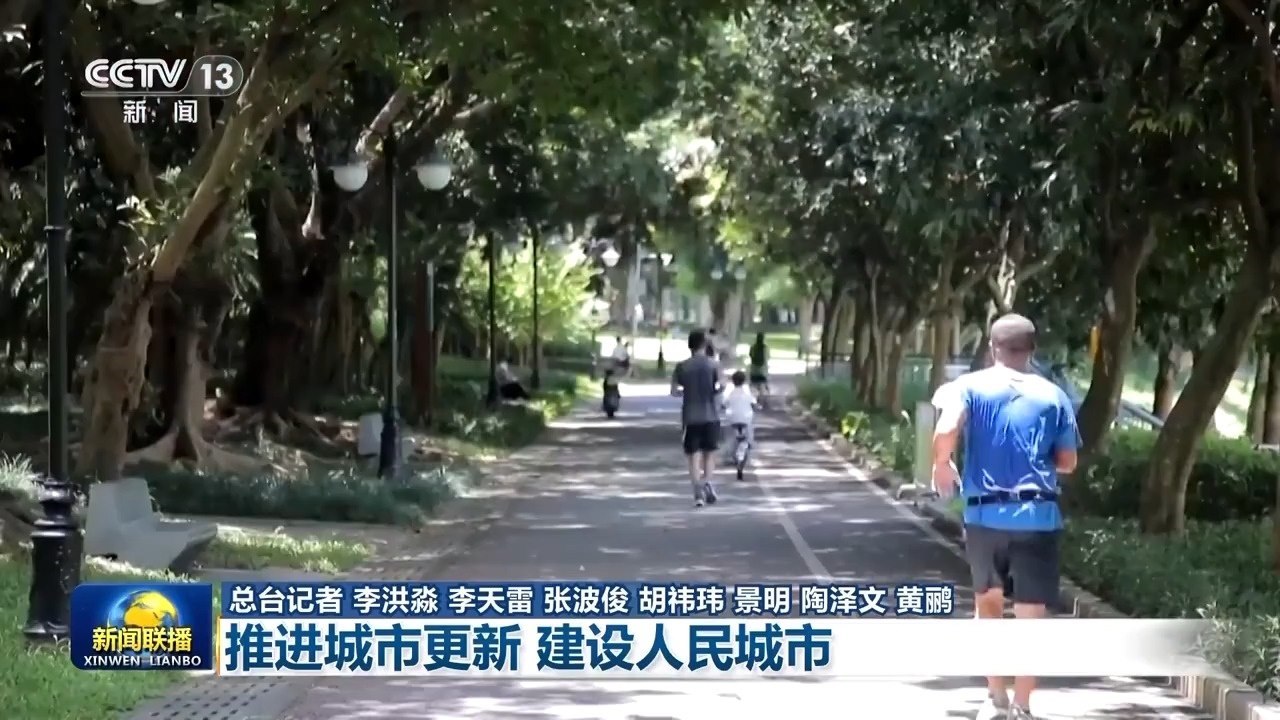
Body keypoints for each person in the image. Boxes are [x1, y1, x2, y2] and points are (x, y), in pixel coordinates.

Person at [931, 313, 1079, 720]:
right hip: (1037, 516)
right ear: (1032, 350)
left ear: (992, 348)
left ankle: (995, 700)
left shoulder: (969, 387)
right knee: (1030, 617)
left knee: (988, 609)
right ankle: (1023, 707)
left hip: (985, 516)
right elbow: (1068, 461)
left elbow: (946, 428)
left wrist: (942, 464)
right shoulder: (1054, 395)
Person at [671, 329, 723, 507]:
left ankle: (698, 493)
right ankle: (707, 481)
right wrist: (712, 392)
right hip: (711, 415)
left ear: (689, 346)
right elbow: (722, 386)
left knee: (693, 456)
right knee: (709, 454)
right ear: (704, 345)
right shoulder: (714, 365)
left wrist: (687, 392)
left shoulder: (682, 366)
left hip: (690, 416)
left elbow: (674, 391)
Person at [722, 370, 756, 464]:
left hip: (732, 418)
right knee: (749, 431)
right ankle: (749, 444)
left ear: (733, 381)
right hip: (746, 418)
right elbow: (754, 403)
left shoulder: (729, 393)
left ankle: (729, 453)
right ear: (744, 381)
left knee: (729, 435)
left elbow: (724, 404)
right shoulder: (747, 393)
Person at [748, 333, 769, 398]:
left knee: (754, 388)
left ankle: (754, 399)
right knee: (762, 388)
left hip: (754, 370)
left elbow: (750, 355)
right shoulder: (765, 348)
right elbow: (767, 357)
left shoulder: (753, 347)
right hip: (762, 371)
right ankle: (762, 399)